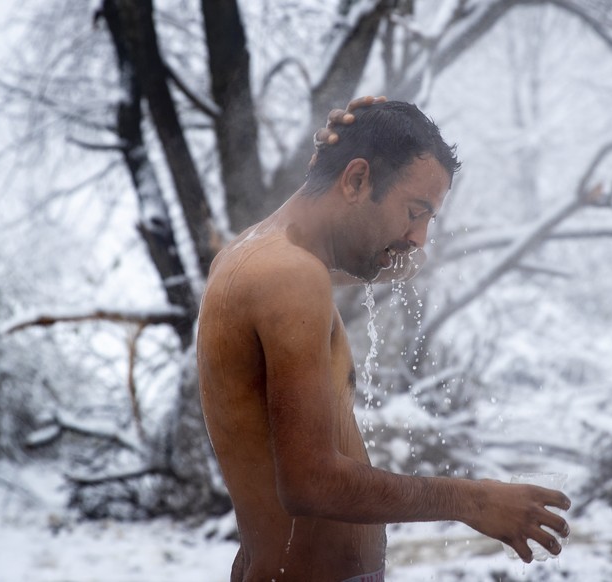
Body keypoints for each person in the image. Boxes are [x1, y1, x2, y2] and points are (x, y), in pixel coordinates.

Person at [196, 97, 570, 582]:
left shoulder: (262, 257)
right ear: (356, 180)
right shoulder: (288, 277)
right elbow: (310, 484)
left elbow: (404, 261)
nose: (419, 237)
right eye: (416, 212)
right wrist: (472, 499)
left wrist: (367, 139)